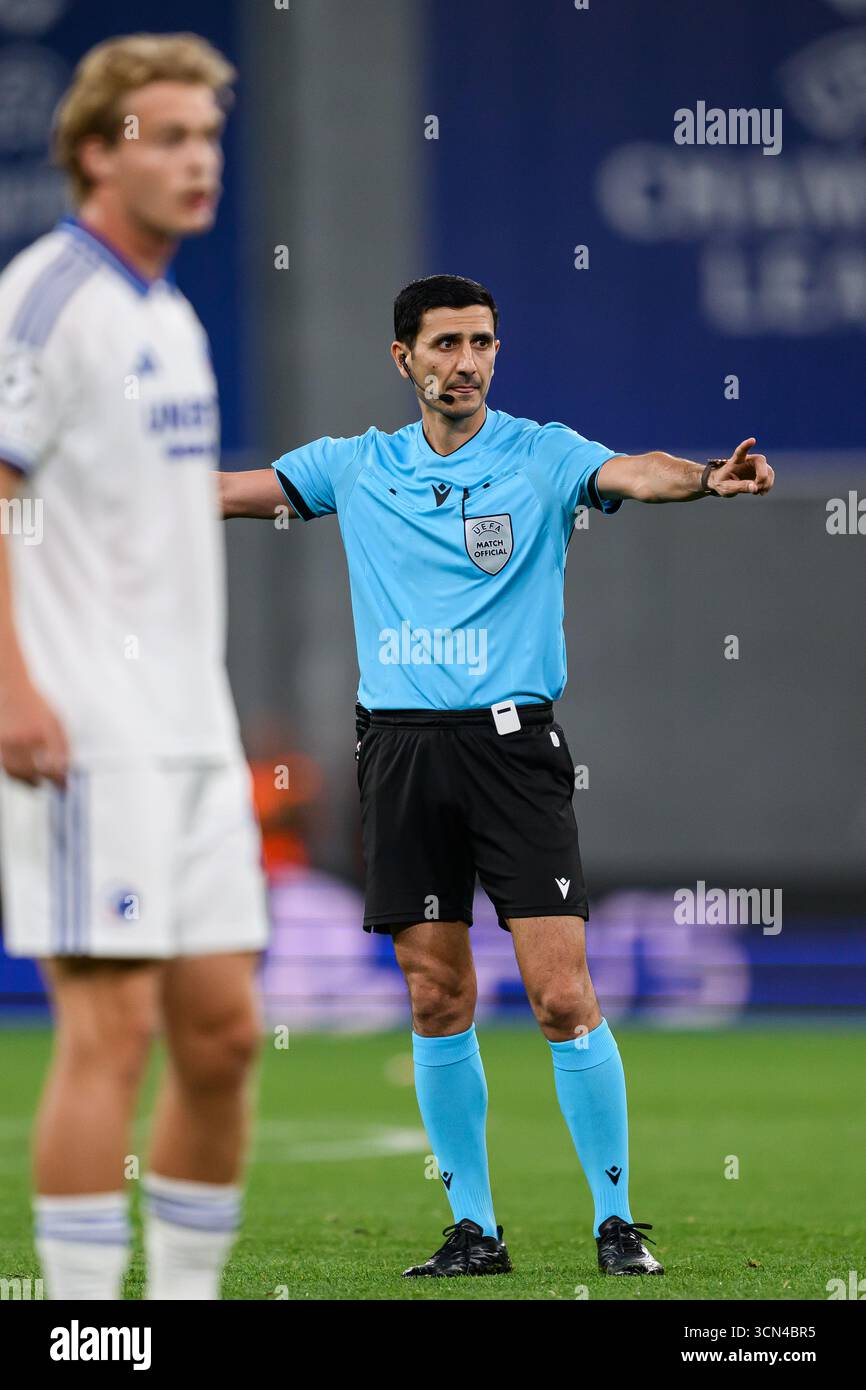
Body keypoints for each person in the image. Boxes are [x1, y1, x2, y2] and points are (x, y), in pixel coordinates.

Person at [219, 273, 773, 1278]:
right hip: (398, 749)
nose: (463, 362)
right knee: (435, 995)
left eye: (479, 343)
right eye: (442, 345)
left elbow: (631, 471)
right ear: (403, 359)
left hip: (512, 750)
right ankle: (473, 1229)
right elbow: (225, 493)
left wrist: (701, 476)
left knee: (560, 994)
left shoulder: (540, 453)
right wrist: (81, 492)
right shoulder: (354, 466)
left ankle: (614, 1220)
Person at [0, 34, 268, 1300]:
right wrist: (10, 682)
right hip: (88, 729)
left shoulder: (172, 311)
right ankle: (82, 1328)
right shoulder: (47, 298)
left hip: (191, 730)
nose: (199, 162)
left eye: (209, 138)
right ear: (101, 151)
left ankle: (180, 1312)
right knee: (105, 1029)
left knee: (218, 1036)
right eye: (170, 137)